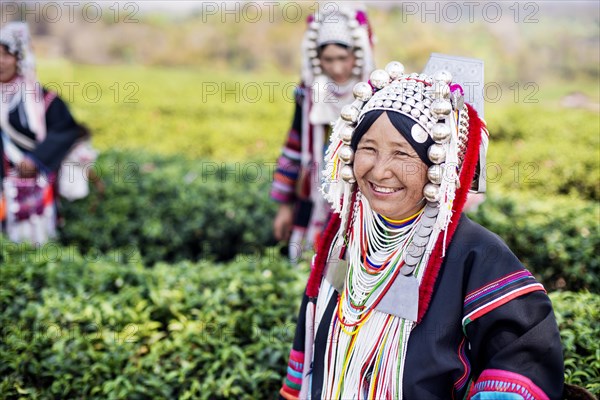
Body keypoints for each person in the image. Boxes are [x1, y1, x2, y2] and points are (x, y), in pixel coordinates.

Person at [279, 62, 564, 399]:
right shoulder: (342, 238)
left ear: (437, 166)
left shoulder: (473, 253)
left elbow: (524, 351)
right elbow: (320, 324)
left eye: (402, 153)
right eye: (368, 148)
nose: (380, 170)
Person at [271, 5, 375, 262]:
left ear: (357, 54)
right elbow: (294, 145)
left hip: (361, 198)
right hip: (314, 193)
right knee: (310, 266)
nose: (337, 67)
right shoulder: (308, 94)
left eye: (343, 57)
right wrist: (285, 206)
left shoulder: (375, 92)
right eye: (329, 59)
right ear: (317, 58)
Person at [0, 22, 80, 243]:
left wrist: (36, 159)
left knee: (29, 245)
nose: (0, 62)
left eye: (6, 55)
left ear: (20, 59)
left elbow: (66, 130)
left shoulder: (44, 100)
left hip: (29, 188)